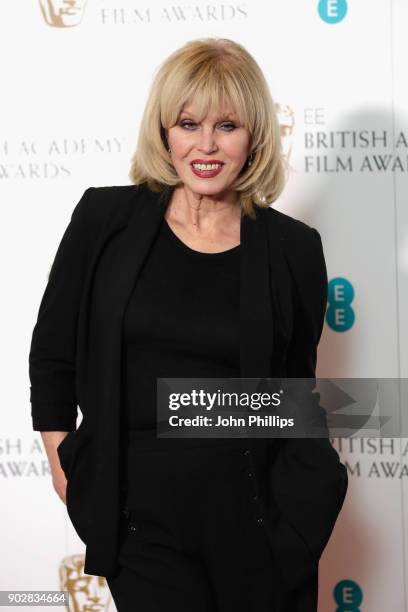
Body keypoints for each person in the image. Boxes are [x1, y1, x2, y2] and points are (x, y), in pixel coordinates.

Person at [29, 37, 348, 612]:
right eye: (187, 123)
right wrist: (65, 470)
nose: (205, 145)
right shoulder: (104, 220)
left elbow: (295, 390)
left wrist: (306, 505)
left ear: (253, 137)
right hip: (139, 522)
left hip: (260, 522)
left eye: (227, 125)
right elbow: (53, 357)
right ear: (163, 132)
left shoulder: (294, 248)